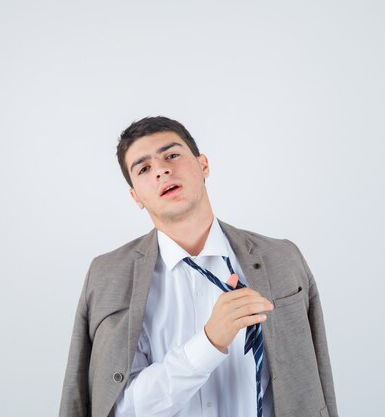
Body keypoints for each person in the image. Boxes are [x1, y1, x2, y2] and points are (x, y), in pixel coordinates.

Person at [59, 116, 338, 417]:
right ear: (135, 196)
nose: (162, 170)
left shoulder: (283, 258)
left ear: (203, 164)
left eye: (172, 155)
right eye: (144, 168)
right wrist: (208, 343)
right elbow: (119, 408)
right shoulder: (107, 277)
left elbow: (317, 381)